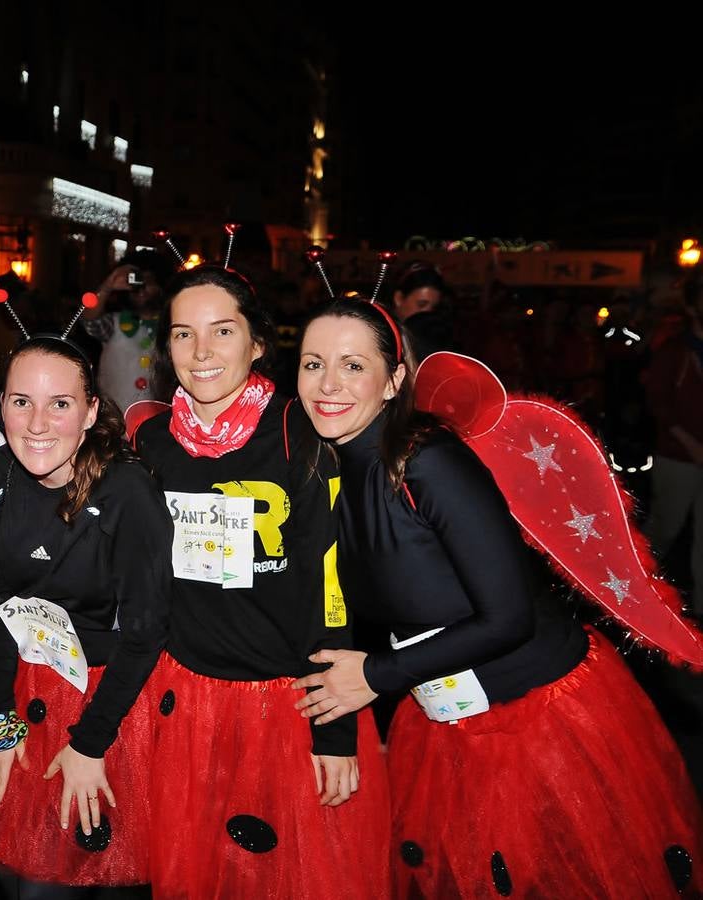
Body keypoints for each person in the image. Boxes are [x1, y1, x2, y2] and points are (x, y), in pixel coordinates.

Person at [293, 297, 703, 898]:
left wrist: (376, 675)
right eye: (311, 363)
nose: (328, 384)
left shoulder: (429, 462)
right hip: (445, 719)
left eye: (353, 366)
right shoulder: (331, 465)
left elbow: (507, 617)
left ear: (394, 380)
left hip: (540, 725)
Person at [133, 266, 389, 899]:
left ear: (256, 344)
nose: (200, 353)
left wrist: (332, 731)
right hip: (183, 699)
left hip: (287, 704)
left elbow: (331, 588)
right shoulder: (153, 442)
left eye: (222, 331)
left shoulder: (303, 434)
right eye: (182, 334)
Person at [0, 335, 170, 898]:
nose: (37, 423)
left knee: (85, 880)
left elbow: (146, 633)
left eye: (59, 403)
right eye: (20, 401)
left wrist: (90, 744)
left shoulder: (127, 490)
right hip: (30, 690)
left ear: (88, 412)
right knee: (18, 877)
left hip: (112, 705)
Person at [645, 287, 703, 603]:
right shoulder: (674, 352)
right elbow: (658, 402)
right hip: (679, 458)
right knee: (666, 527)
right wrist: (689, 442)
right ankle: (635, 586)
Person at [81, 250, 171, 411]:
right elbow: (89, 319)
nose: (141, 289)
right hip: (115, 422)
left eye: (148, 282)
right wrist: (108, 285)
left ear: (161, 285)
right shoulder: (114, 323)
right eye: (136, 282)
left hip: (158, 423)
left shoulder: (171, 327)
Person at [391, 261, 452, 360]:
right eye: (421, 304)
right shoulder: (379, 333)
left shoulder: (436, 336)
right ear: (399, 298)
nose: (427, 311)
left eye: (434, 307)